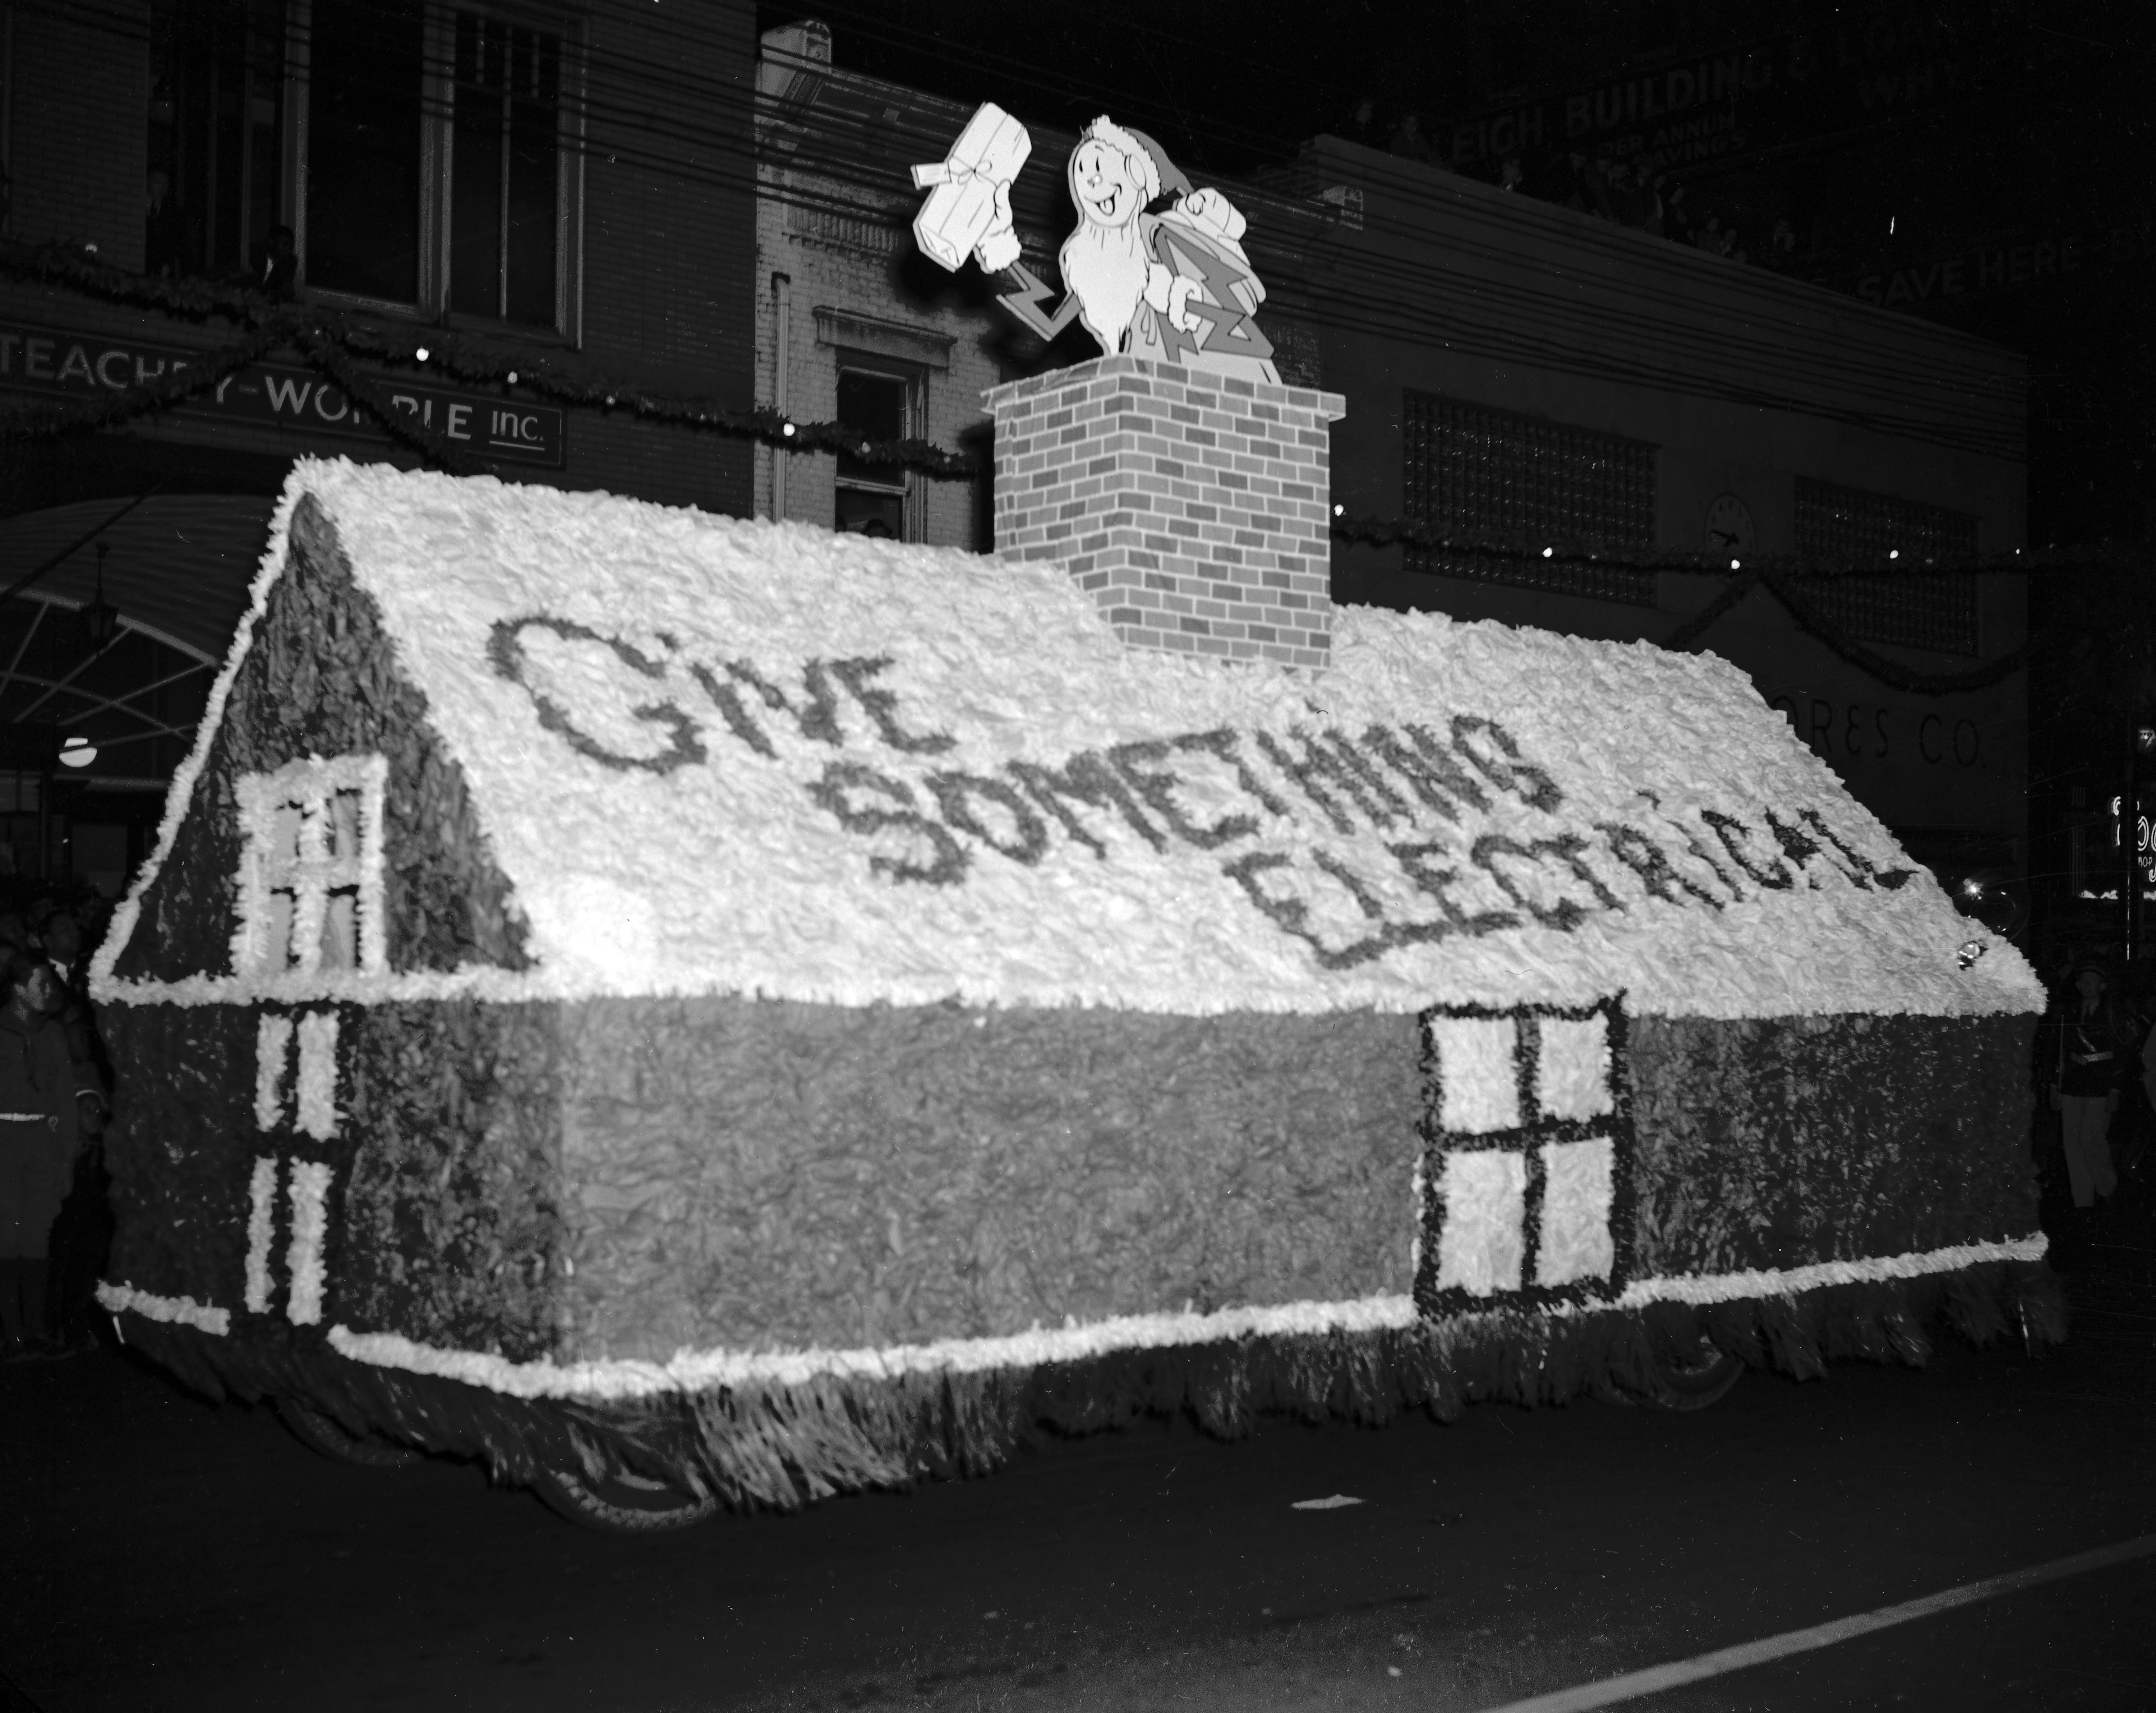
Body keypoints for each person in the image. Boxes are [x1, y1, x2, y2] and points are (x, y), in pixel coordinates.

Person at [0, 951, 99, 1358]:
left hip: (42, 1144)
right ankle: (12, 1334)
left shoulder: (53, 1035)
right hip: (4, 1144)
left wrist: (64, 1163)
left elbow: (63, 1102)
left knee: (37, 1239)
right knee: (7, 1239)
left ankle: (37, 1332)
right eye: (41, 984)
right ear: (18, 988)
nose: (50, 992)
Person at [2051, 959, 2130, 1218]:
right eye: (2082, 981)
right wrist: (2055, 1085)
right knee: (2072, 1142)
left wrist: (2116, 1090)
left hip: (2100, 1084)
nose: (2086, 985)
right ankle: (2083, 1199)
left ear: (2103, 986)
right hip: (2072, 1084)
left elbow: (2123, 1054)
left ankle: (2108, 1189)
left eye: (2092, 981)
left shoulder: (2113, 1014)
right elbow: (2059, 1050)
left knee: (2090, 1139)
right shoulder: (2069, 1013)